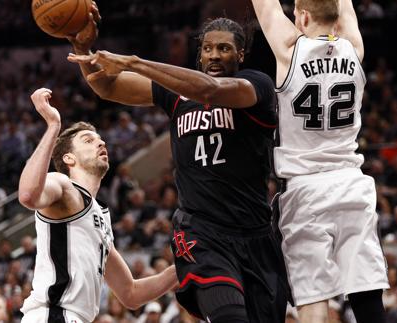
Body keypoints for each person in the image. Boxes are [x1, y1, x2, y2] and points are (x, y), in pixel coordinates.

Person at [67, 13, 290, 322]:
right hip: (202, 234)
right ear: (199, 53)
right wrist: (78, 42)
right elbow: (106, 87)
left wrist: (134, 62)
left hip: (255, 234)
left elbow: (210, 89)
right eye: (208, 48)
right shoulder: (178, 92)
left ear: (240, 54)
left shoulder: (257, 85)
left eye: (224, 49)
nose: (214, 55)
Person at [251, 0, 388, 322]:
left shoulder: (289, 49)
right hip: (351, 181)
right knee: (366, 288)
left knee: (315, 297)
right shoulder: (354, 48)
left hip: (305, 188)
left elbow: (266, 7)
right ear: (337, 17)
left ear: (303, 16)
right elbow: (345, 11)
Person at [18, 88, 178, 323]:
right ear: (69, 158)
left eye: (100, 140)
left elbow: (131, 293)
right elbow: (28, 195)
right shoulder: (63, 185)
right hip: (53, 314)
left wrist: (184, 267)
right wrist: (53, 126)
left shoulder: (100, 217)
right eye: (88, 140)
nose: (100, 143)